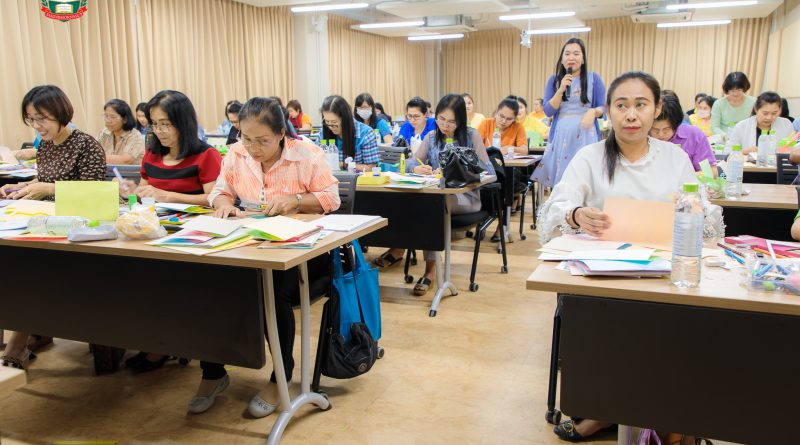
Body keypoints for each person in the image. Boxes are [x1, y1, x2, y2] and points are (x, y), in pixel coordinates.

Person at [539, 72, 722, 441]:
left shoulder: (674, 158)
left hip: (665, 276)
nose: (631, 115)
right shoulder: (590, 157)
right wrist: (576, 214)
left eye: (641, 105)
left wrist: (690, 207)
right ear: (609, 111)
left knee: (677, 329)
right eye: (621, 106)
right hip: (602, 278)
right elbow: (553, 209)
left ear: (657, 108)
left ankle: (663, 415)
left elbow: (708, 219)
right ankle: (608, 411)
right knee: (611, 328)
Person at [197, 97, 340, 415]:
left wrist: (296, 200)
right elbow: (219, 191)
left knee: (272, 289)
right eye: (246, 138)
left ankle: (281, 376)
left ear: (281, 134)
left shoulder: (306, 155)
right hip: (251, 242)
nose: (253, 148)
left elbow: (332, 198)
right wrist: (224, 204)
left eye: (262, 140)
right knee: (208, 281)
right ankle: (213, 372)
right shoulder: (236, 154)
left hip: (302, 250)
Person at [0, 85, 106, 371]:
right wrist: (20, 186)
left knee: (32, 270)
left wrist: (49, 188)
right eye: (31, 119)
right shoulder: (45, 145)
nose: (37, 126)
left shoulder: (86, 145)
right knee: (16, 263)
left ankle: (17, 346)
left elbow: (97, 194)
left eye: (42, 118)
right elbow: (44, 178)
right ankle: (31, 332)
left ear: (61, 113)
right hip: (45, 224)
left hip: (80, 231)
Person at [118, 90, 223, 373]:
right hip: (152, 231)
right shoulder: (152, 154)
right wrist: (131, 191)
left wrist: (168, 196)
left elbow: (214, 198)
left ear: (183, 122)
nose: (159, 131)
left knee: (171, 286)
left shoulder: (206, 155)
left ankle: (165, 346)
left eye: (166, 124)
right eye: (154, 124)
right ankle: (156, 340)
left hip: (192, 236)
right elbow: (143, 191)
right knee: (133, 282)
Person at [373, 94, 495, 295]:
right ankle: (408, 252)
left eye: (451, 122)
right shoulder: (431, 137)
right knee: (417, 203)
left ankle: (427, 270)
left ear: (461, 120)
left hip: (467, 198)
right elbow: (411, 161)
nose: (445, 126)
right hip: (438, 196)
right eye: (441, 119)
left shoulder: (471, 136)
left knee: (430, 206)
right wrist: (416, 168)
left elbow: (489, 171)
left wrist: (459, 168)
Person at [531, 37, 606, 188]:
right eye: (567, 54)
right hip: (562, 134)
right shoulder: (554, 80)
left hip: (586, 133)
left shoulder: (593, 78)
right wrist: (560, 90)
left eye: (576, 54)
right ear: (562, 58)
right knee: (562, 181)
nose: (571, 57)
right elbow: (548, 111)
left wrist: (593, 112)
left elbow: (604, 107)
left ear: (583, 59)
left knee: (585, 177)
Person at [650, 94, 717, 177]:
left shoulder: (694, 135)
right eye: (655, 130)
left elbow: (711, 171)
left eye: (666, 129)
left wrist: (684, 177)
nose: (660, 134)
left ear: (677, 124)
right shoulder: (641, 137)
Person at [320, 95, 379, 171]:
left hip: (357, 178)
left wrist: (342, 164)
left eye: (334, 122)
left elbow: (370, 168)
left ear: (345, 118)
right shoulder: (324, 131)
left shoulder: (366, 134)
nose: (330, 127)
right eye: (327, 121)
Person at [727, 91, 795, 156]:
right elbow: (727, 153)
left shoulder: (786, 124)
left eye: (774, 113)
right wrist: (744, 152)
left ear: (780, 110)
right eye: (765, 113)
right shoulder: (742, 126)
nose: (769, 117)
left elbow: (793, 150)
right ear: (756, 109)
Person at [97, 99, 145, 165]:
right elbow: (92, 151)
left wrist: (96, 157)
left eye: (113, 117)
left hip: (128, 171)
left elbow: (125, 161)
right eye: (106, 116)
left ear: (125, 119)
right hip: (107, 171)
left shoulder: (135, 136)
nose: (108, 120)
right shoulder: (104, 133)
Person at [710, 71, 756, 136]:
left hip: (745, 136)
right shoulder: (719, 104)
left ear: (744, 88)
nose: (736, 94)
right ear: (727, 90)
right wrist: (726, 136)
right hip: (724, 137)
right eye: (732, 91)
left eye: (739, 90)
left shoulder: (753, 102)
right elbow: (714, 126)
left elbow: (756, 122)